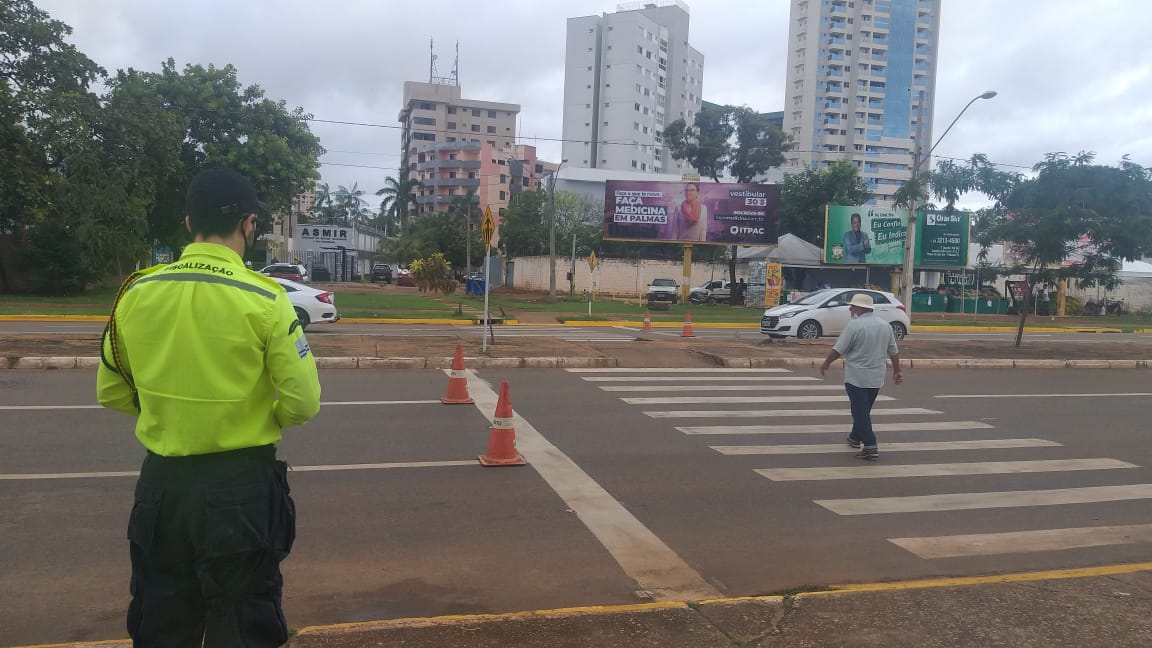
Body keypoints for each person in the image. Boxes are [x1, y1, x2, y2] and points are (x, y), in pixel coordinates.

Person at [97, 167, 322, 646]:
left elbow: (111, 391)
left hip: (162, 491)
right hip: (239, 488)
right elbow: (303, 403)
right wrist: (258, 416)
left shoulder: (135, 293)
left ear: (187, 224)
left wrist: (169, 412)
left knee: (161, 623)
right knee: (243, 625)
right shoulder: (266, 298)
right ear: (248, 224)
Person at [818, 293, 903, 460]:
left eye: (853, 306)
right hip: (876, 378)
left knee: (859, 412)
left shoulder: (854, 326)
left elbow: (838, 350)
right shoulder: (885, 325)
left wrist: (826, 363)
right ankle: (855, 437)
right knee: (863, 410)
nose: (850, 308)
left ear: (861, 308)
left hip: (856, 377)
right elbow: (893, 351)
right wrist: (897, 370)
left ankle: (870, 445)